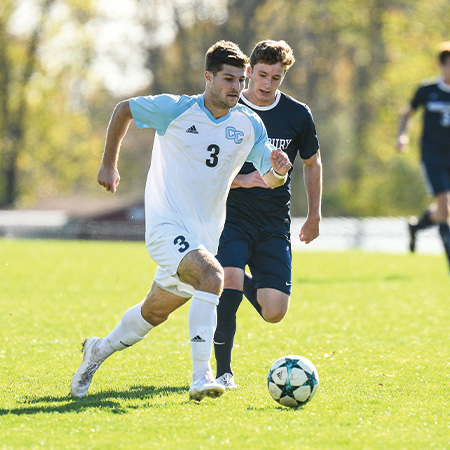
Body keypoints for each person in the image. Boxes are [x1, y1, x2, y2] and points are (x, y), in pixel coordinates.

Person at [70, 40, 292, 401]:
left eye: (240, 80)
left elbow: (269, 177)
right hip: (165, 227)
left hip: (204, 236)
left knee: (152, 313)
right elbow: (123, 109)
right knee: (213, 276)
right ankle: (202, 376)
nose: (236, 87)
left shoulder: (249, 125)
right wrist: (109, 163)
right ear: (208, 77)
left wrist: (280, 171)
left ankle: (97, 350)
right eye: (227, 79)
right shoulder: (175, 109)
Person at [213, 40, 322, 389]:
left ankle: (235, 277)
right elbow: (203, 165)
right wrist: (241, 181)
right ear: (249, 71)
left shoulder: (297, 115)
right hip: (231, 215)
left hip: (274, 222)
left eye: (276, 77)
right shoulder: (226, 108)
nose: (266, 84)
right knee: (227, 279)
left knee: (274, 310)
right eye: (261, 74)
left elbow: (312, 163)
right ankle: (223, 372)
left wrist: (315, 215)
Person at [397, 41, 450, 271]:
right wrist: (402, 136)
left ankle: (416, 228)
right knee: (445, 207)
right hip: (433, 156)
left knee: (442, 211)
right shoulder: (427, 90)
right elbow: (407, 113)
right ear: (441, 65)